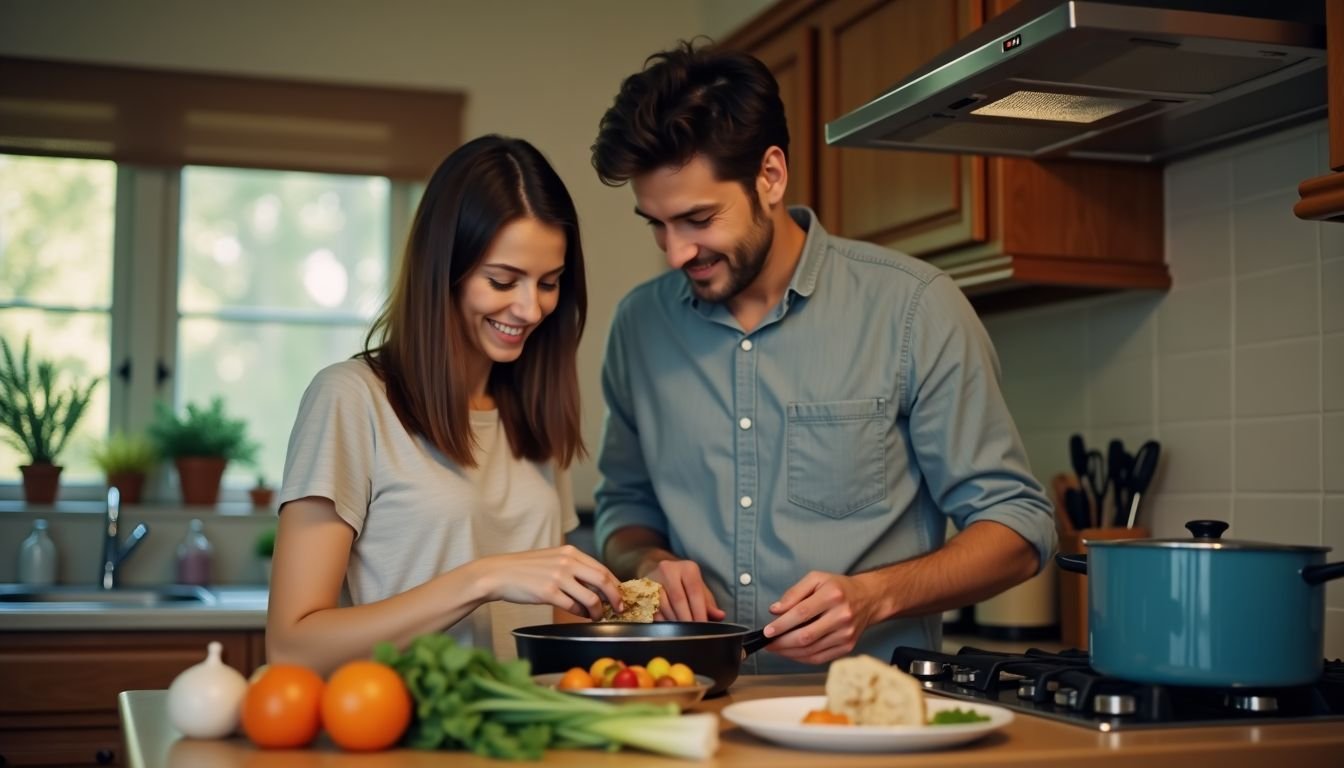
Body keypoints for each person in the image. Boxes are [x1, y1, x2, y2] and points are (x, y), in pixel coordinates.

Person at [590, 43, 1056, 673]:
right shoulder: (639, 328)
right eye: (656, 223)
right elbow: (624, 510)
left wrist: (875, 596)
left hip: (867, 717)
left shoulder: (914, 308)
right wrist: (647, 563)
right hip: (689, 706)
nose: (675, 252)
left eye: (698, 218)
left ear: (771, 176)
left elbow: (1020, 528)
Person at [267, 135, 624, 674]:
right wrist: (483, 578)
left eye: (549, 283)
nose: (530, 308)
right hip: (400, 735)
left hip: (524, 739)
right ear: (444, 272)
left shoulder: (532, 412)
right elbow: (293, 646)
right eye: (502, 280)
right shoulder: (350, 398)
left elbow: (552, 625)